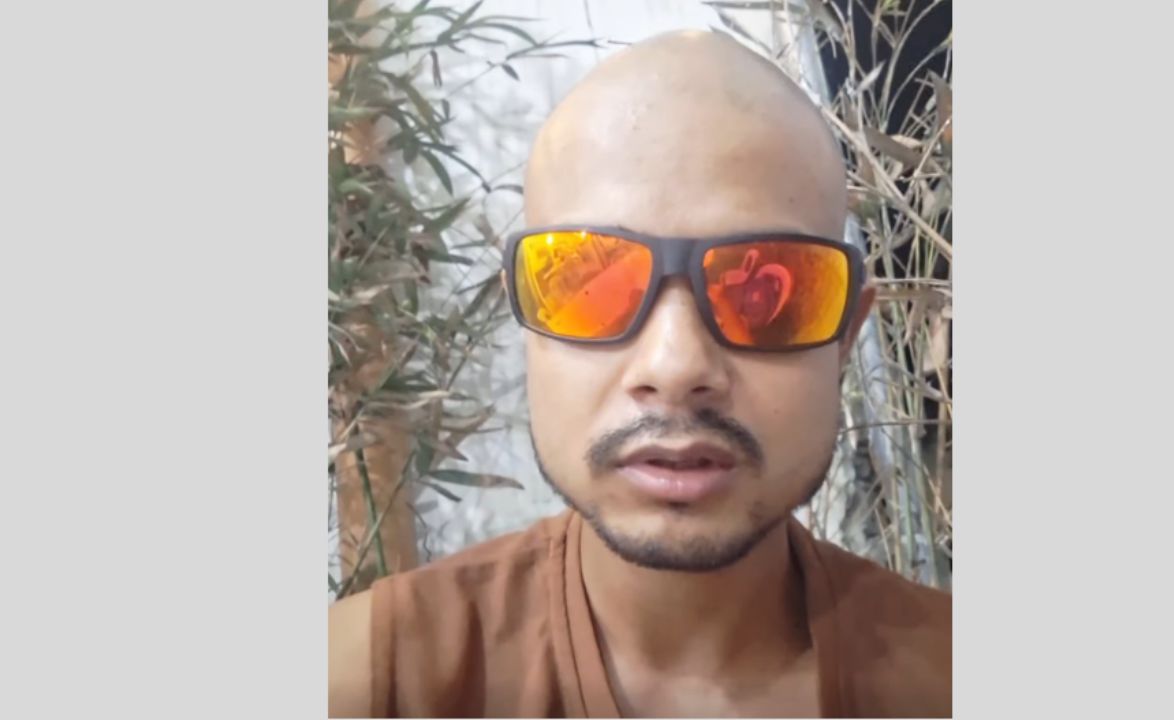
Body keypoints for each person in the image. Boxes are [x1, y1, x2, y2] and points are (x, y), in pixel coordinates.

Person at [329, 29, 951, 718]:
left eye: (766, 293)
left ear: (844, 337)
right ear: (528, 319)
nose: (675, 366)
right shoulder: (367, 680)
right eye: (588, 283)